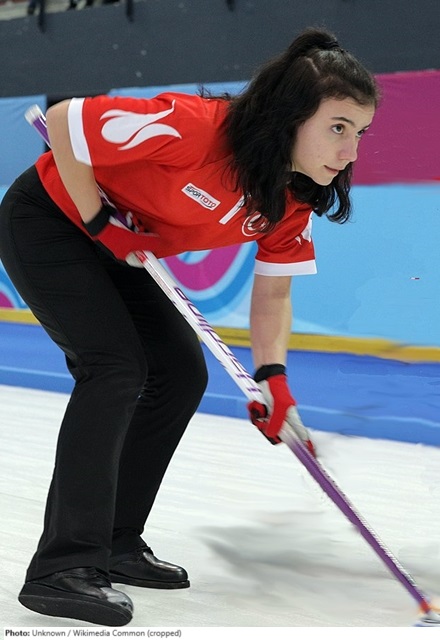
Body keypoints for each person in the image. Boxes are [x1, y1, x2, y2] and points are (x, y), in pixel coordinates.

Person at [0, 26, 379, 626]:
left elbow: (274, 291)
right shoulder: (196, 128)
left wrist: (274, 379)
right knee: (114, 368)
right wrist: (98, 222)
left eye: (360, 132)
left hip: (125, 244)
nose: (350, 150)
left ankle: (117, 541)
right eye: (338, 127)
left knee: (180, 373)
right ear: (291, 116)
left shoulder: (291, 198)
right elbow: (67, 121)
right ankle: (62, 569)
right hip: (51, 221)